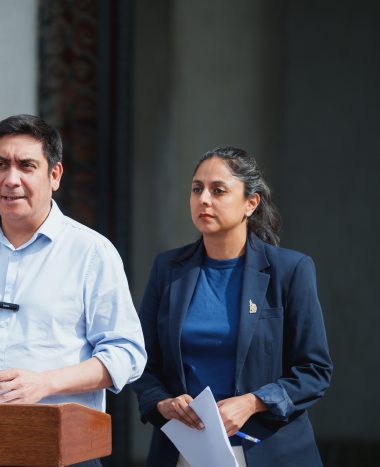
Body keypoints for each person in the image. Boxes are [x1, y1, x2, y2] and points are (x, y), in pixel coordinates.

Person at [0, 114, 147, 467]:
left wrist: (45, 384)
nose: (11, 179)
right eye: (0, 165)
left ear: (55, 175)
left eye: (26, 166)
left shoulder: (91, 252)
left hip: (62, 451)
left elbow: (126, 353)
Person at [133, 147, 332, 467]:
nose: (204, 199)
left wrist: (254, 402)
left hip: (270, 451)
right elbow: (141, 360)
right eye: (196, 189)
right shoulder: (168, 269)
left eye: (218, 190)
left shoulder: (290, 270)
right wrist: (163, 402)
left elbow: (314, 370)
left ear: (250, 203)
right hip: (186, 452)